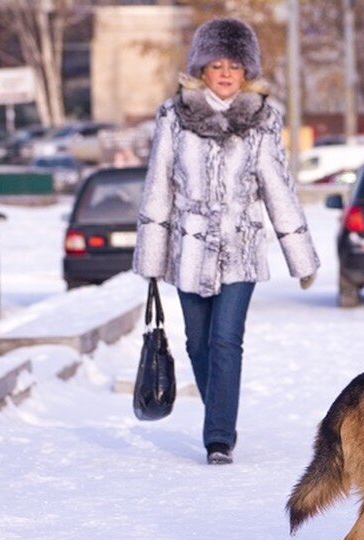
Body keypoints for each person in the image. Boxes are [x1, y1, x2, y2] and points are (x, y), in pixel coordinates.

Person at [132, 17, 320, 465]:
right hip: (188, 250)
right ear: (202, 68)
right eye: (216, 64)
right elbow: (159, 186)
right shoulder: (174, 117)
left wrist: (301, 256)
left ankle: (219, 436)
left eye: (234, 65)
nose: (225, 73)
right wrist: (153, 260)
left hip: (241, 250)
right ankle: (219, 410)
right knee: (198, 344)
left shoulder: (261, 120)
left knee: (225, 341)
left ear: (246, 71)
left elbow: (278, 187)